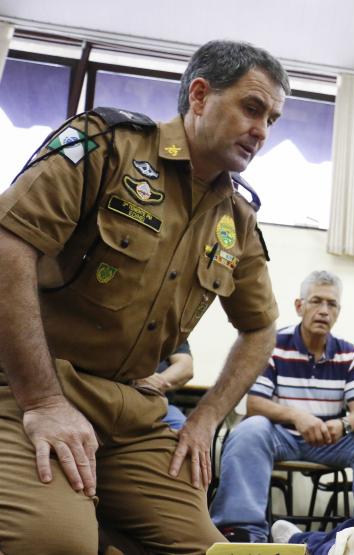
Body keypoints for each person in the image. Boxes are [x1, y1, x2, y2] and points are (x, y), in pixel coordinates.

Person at [0, 39, 288, 554]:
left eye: (272, 119)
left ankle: (101, 531)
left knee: (205, 550)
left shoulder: (237, 221)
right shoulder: (110, 146)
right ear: (199, 96)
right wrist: (42, 401)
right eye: (252, 108)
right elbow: (8, 244)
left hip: (132, 415)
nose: (262, 131)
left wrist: (204, 419)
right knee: (56, 544)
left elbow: (261, 326)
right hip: (33, 392)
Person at [210, 270, 354, 542]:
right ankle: (242, 532)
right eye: (316, 301)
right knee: (251, 428)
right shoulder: (272, 345)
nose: (323, 311)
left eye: (332, 304)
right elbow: (256, 403)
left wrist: (342, 425)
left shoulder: (349, 353)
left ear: (338, 312)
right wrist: (298, 417)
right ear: (299, 306)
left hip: (331, 439)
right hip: (282, 437)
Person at [133, 340, 194, 430]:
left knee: (186, 433)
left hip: (161, 406)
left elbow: (186, 368)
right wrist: (134, 378)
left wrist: (153, 384)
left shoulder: (171, 329)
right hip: (117, 402)